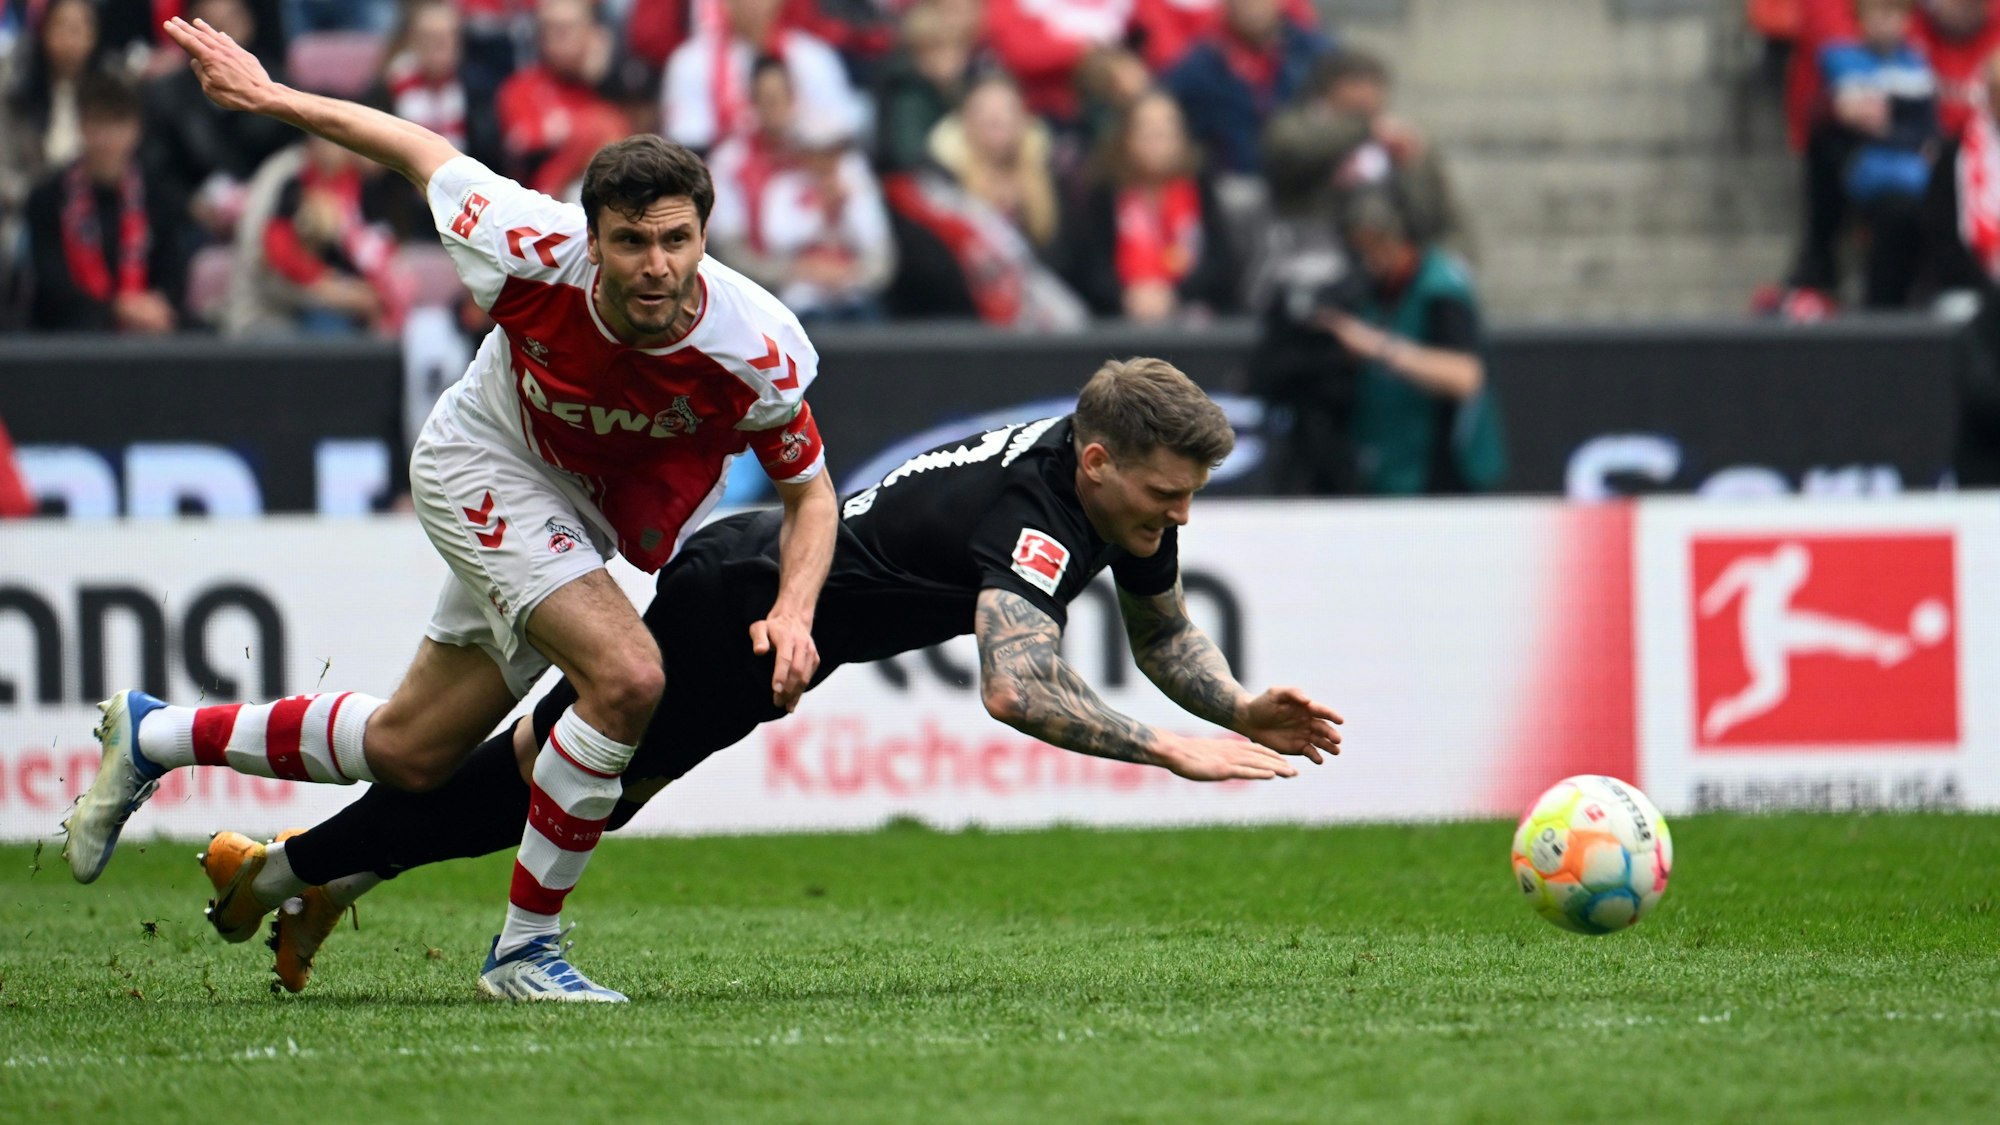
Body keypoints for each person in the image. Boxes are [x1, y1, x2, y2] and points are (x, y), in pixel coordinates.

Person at [61, 15, 839, 1005]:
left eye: (676, 241)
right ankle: (524, 952)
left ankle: (154, 735)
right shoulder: (522, 240)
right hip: (483, 459)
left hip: (576, 512)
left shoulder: (756, 342)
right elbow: (413, 146)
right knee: (628, 676)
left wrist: (797, 612)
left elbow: (808, 491)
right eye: (631, 243)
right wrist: (269, 96)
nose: (656, 266)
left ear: (703, 235)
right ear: (589, 240)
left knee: (409, 751)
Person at [194, 358, 1345, 995]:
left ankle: (311, 879)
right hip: (733, 616)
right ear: (1097, 462)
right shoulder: (1034, 513)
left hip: (763, 610)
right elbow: (1015, 684)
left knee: (535, 786)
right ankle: (281, 872)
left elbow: (1159, 635)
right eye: (1165, 494)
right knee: (534, 790)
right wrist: (1162, 745)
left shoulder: (1112, 487)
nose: (1176, 517)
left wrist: (1235, 705)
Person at [1318, 191, 1504, 495]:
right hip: (1386, 460)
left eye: (1374, 244)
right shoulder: (1369, 288)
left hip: (1442, 469)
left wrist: (1380, 348)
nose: (1368, 257)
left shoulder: (1440, 289)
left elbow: (1466, 376)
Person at [24, 72, 187, 333]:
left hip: (149, 334)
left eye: (117, 123)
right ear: (81, 126)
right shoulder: (47, 197)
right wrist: (117, 308)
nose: (107, 139)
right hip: (69, 338)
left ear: (136, 128)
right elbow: (51, 287)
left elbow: (173, 275)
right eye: (98, 123)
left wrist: (154, 306)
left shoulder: (158, 194)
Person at [1062, 88, 1236, 323]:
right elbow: (1090, 266)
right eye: (1146, 128)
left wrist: (1174, 295)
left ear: (1182, 137)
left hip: (1190, 312)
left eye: (1166, 128)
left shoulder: (1200, 184)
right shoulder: (1105, 191)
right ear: (1127, 138)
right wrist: (1127, 297)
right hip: (1120, 315)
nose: (1156, 135)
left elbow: (1220, 260)